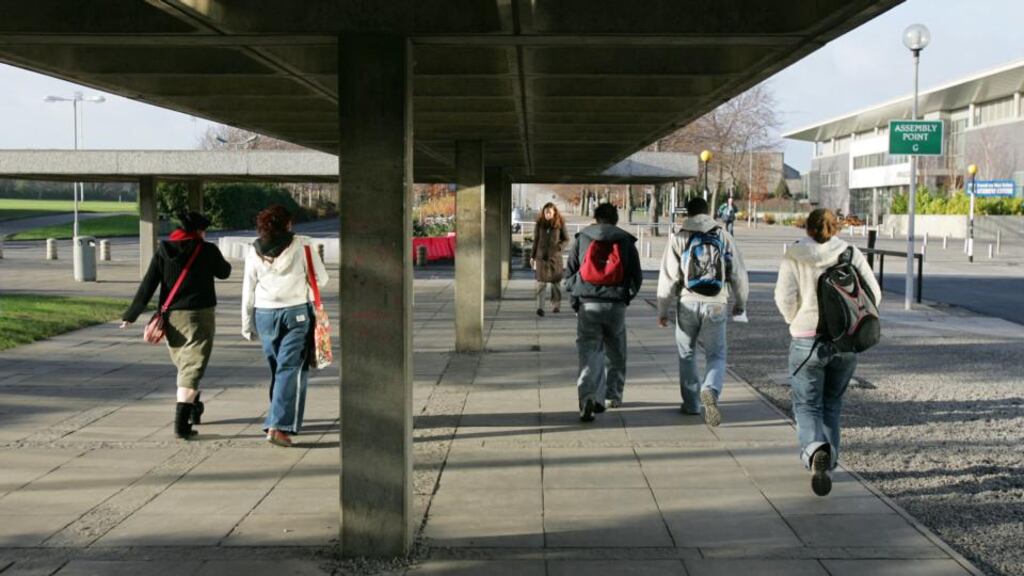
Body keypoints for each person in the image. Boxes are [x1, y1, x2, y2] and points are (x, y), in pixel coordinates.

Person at [774, 208, 880, 496]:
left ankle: (814, 450)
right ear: (836, 227)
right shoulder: (850, 253)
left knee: (807, 406)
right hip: (845, 341)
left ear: (807, 227)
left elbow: (783, 297)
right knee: (832, 404)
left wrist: (794, 319)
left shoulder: (795, 254)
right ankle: (829, 463)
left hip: (807, 340)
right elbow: (874, 293)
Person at [121, 211, 232, 439]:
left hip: (171, 318)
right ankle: (181, 426)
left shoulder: (164, 249)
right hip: (200, 315)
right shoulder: (207, 249)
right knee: (192, 367)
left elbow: (148, 283)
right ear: (199, 230)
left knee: (186, 363)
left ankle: (194, 407)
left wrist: (131, 315)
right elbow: (225, 272)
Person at [241, 205, 328, 448]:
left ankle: (278, 420)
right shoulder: (302, 245)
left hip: (264, 314)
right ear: (287, 224)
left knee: (278, 369)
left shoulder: (253, 250)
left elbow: (248, 288)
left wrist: (246, 322)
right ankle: (278, 426)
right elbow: (321, 278)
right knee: (290, 368)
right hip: (295, 312)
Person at [656, 197, 748, 427]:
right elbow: (737, 272)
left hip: (687, 301)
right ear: (708, 212)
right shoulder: (723, 235)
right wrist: (741, 303)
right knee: (716, 355)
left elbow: (668, 277)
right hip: (717, 302)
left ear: (687, 213)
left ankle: (691, 404)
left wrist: (662, 310)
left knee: (686, 352)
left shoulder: (679, 236)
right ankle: (711, 390)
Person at [564, 203, 643, 421]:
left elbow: (569, 274)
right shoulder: (626, 241)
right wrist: (625, 296)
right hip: (615, 304)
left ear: (595, 218)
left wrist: (576, 298)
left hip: (588, 304)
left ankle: (589, 396)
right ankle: (612, 396)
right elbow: (636, 277)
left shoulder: (583, 238)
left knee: (589, 351)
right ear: (616, 219)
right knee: (616, 351)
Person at [531, 202, 570, 316]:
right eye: (545, 212)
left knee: (555, 284)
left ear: (554, 213)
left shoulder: (560, 224)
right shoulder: (539, 224)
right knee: (541, 284)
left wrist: (559, 247)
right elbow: (536, 240)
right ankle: (540, 308)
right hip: (541, 257)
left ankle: (556, 305)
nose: (547, 214)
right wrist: (532, 256)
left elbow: (566, 239)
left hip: (555, 257)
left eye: (549, 212)